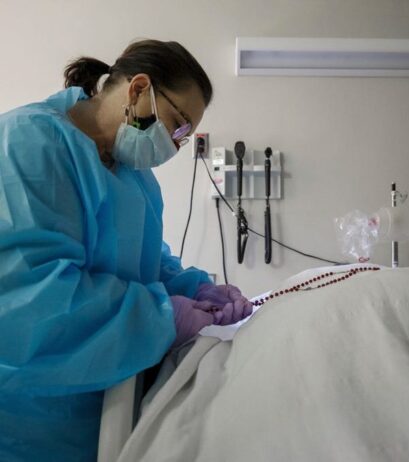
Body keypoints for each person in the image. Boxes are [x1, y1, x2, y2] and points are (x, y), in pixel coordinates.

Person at [0, 39, 252, 461]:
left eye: (186, 136)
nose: (176, 145)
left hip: (101, 409)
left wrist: (193, 288)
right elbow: (28, 300)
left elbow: (147, 262)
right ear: (138, 89)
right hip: (24, 419)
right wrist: (162, 316)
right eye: (178, 126)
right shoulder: (29, 144)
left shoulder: (136, 178)